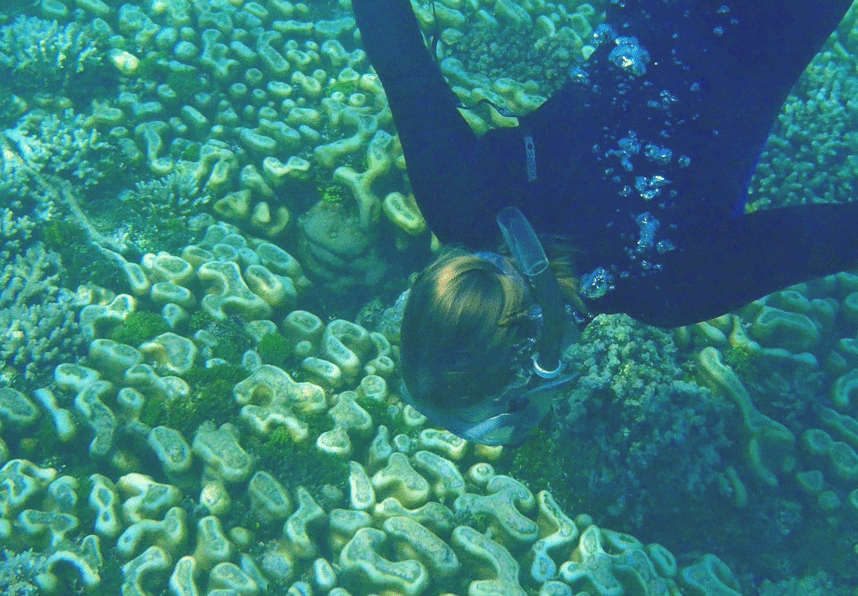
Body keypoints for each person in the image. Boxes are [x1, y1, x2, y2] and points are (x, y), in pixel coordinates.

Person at [351, 0, 858, 445]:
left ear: (540, 368)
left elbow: (831, 236)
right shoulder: (453, 199)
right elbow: (397, 57)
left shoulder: (661, 286)